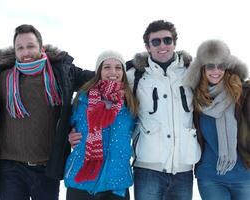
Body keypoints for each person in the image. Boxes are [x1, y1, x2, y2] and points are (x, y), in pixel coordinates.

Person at [0, 24, 94, 200]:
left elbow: (95, 80)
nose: (25, 52)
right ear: (15, 51)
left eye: (30, 46)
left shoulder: (61, 73)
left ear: (41, 48)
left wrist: (128, 71)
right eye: (20, 48)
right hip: (10, 169)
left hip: (47, 168)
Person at [126, 20, 201, 200]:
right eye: (156, 41)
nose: (162, 46)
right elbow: (104, 95)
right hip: (147, 168)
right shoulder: (133, 75)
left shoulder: (193, 72)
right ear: (147, 46)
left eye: (167, 40)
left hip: (183, 168)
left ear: (175, 43)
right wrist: (75, 128)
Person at [64, 50, 138, 200]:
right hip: (81, 181)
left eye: (118, 67)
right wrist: (69, 135)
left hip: (116, 184)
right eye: (107, 67)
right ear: (99, 71)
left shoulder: (131, 103)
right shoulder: (82, 99)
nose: (113, 72)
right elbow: (64, 126)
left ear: (123, 72)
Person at [183, 39, 250, 200]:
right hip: (210, 177)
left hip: (244, 176)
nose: (216, 71)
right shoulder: (197, 98)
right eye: (210, 66)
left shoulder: (244, 93)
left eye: (220, 66)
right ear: (202, 69)